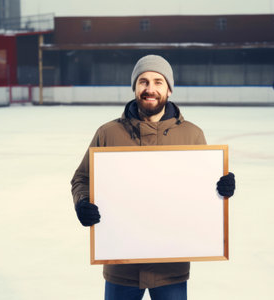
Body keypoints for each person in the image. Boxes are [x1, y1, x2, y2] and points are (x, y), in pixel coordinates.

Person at [71, 54, 236, 300]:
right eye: (144, 82)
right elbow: (81, 179)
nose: (151, 89)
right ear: (135, 88)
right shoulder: (108, 133)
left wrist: (222, 189)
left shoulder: (192, 135)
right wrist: (83, 202)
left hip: (171, 267)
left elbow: (202, 190)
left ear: (169, 89)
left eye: (158, 82)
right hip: (120, 263)